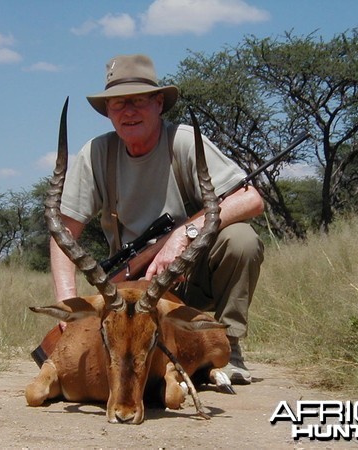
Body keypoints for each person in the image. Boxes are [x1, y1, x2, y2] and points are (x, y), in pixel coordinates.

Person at [50, 54, 265, 384]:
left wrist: (184, 234)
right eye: (118, 104)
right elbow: (64, 232)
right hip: (130, 290)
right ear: (108, 112)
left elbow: (251, 198)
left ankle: (230, 349)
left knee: (242, 240)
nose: (128, 111)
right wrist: (68, 305)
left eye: (138, 101)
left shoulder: (181, 141)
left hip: (190, 279)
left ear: (158, 104)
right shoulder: (95, 153)